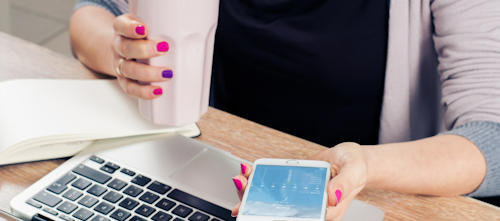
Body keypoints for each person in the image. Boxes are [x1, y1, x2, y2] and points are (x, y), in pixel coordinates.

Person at [70, 0, 500, 219]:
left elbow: (492, 136)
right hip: (207, 178)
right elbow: (94, 12)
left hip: (370, 199)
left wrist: (366, 165)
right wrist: (123, 53)